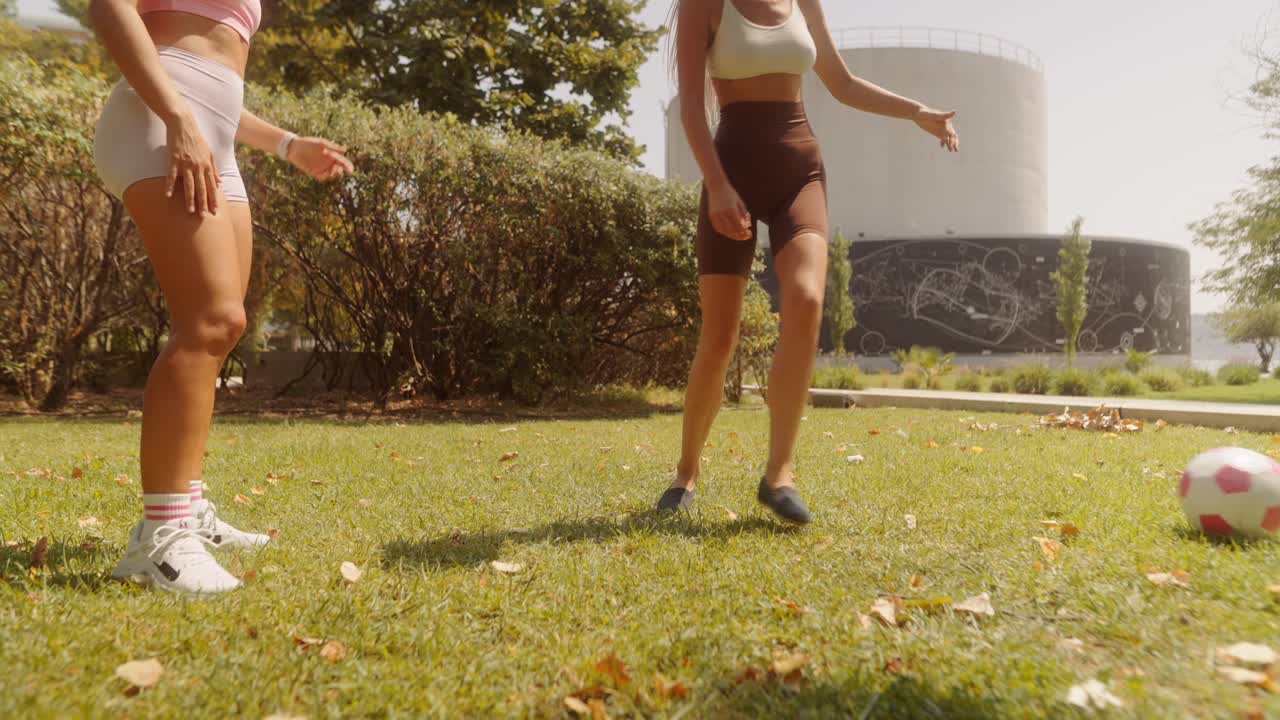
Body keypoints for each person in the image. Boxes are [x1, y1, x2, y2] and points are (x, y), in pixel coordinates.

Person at [657, 0, 959, 523]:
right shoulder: (703, 4)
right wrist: (718, 185)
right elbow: (691, 107)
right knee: (720, 335)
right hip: (730, 172)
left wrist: (916, 111)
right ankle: (686, 473)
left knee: (808, 299)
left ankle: (779, 474)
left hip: (800, 169)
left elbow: (841, 83)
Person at [88, 0, 353, 593]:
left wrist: (286, 145)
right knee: (208, 319)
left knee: (224, 327)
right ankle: (160, 540)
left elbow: (217, 73)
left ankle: (187, 507)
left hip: (211, 130)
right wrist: (177, 115)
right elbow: (109, 9)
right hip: (161, 119)